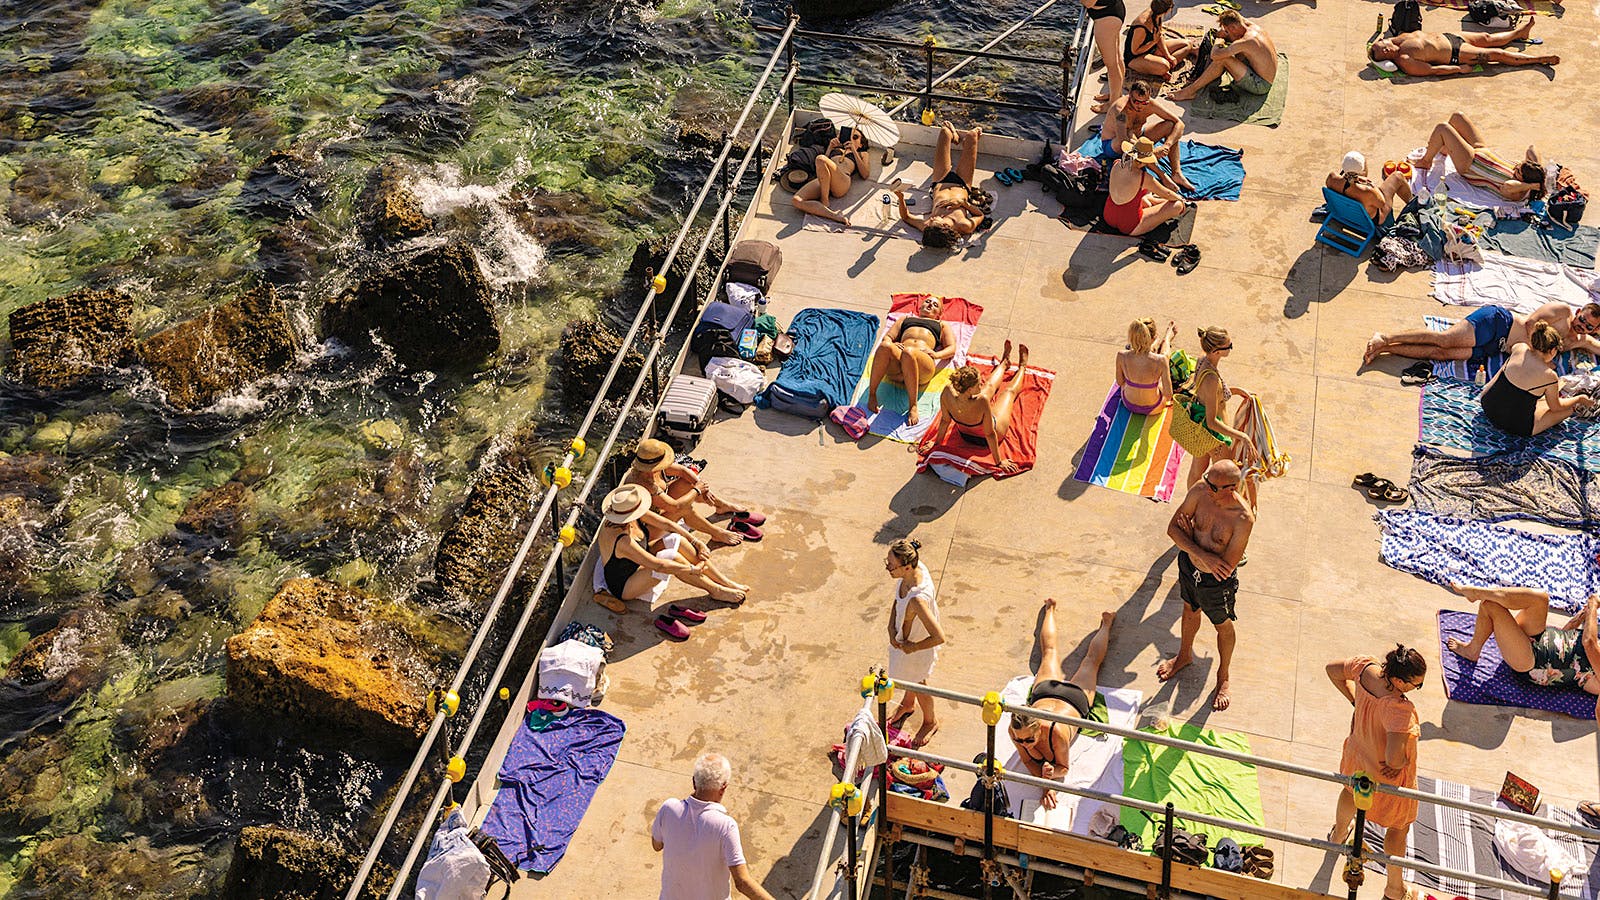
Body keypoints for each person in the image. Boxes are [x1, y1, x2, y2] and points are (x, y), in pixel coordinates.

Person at [1326, 645, 1426, 900]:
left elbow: (1332, 670)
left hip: (1358, 755)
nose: (1416, 690)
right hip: (1385, 778)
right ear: (1398, 681)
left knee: (1349, 792)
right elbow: (1393, 757)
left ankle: (1337, 836)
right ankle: (1394, 889)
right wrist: (1402, 763)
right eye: (1416, 685)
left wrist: (1354, 701)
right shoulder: (1398, 709)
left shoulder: (1364, 666)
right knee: (1397, 829)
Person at [1158, 459, 1255, 711]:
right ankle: (1184, 655)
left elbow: (1225, 567)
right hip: (1189, 568)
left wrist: (1189, 538)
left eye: (1213, 485)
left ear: (1230, 488)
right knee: (1189, 608)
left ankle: (1223, 675)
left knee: (1222, 625)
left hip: (1216, 583)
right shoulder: (1201, 491)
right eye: (1207, 479)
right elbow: (1172, 530)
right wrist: (1200, 552)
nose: (1205, 486)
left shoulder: (1243, 518)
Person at [1006, 598, 1117, 809]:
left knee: (1091, 660)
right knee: (1051, 653)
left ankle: (1107, 623)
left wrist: (1049, 777)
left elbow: (1063, 767)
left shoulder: (1055, 733)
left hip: (1074, 700)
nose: (1024, 745)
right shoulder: (1016, 730)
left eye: (1029, 740)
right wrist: (1046, 779)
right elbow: (1028, 761)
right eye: (1021, 741)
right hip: (1045, 694)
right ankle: (1049, 609)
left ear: (1039, 725)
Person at [1444, 582, 1599, 721]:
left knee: (1490, 606)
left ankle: (1472, 650)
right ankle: (1479, 592)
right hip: (1538, 637)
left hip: (1530, 661)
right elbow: (1565, 645)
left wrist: (1593, 607)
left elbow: (1589, 643)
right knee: (1541, 598)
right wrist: (1578, 619)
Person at [596, 485, 748, 607]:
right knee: (671, 557)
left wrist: (695, 541)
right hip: (625, 585)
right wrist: (690, 569)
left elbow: (667, 524)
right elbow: (659, 565)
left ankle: (724, 581)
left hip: (637, 563)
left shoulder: (628, 515)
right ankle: (716, 590)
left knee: (676, 538)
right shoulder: (622, 541)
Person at [652, 752, 777, 900]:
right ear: (723, 788)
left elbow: (657, 845)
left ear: (694, 782)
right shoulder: (725, 826)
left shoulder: (668, 808)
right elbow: (742, 882)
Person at [1363, 301, 1600, 367]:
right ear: (1579, 312)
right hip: (1499, 324)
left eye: (1589, 326)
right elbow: (1530, 323)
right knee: (1445, 339)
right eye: (1582, 319)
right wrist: (1539, 353)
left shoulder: (1581, 340)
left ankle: (1385, 349)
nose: (1582, 326)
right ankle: (1385, 337)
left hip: (1495, 348)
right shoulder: (1563, 312)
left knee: (1441, 354)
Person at [917, 340, 1030, 473]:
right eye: (977, 384)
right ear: (970, 389)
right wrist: (999, 462)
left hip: (964, 434)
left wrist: (936, 443)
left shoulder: (948, 391)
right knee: (1008, 393)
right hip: (985, 439)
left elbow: (945, 421)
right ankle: (1022, 367)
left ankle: (1005, 362)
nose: (980, 385)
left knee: (988, 386)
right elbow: (989, 434)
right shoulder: (981, 400)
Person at [624, 439, 764, 545]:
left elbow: (682, 471)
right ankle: (716, 533)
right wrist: (698, 490)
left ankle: (720, 505)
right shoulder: (643, 482)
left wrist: (703, 489)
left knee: (688, 483)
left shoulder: (649, 466)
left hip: (658, 510)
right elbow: (675, 506)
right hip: (647, 529)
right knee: (684, 508)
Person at [1479, 322, 1595, 437]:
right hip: (1515, 426)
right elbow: (1556, 408)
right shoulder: (1549, 376)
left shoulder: (1520, 347)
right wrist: (1579, 399)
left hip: (1487, 404)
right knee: (1567, 409)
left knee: (1532, 396)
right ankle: (1579, 403)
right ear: (1553, 350)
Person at [883, 538, 946, 748]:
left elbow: (938, 636)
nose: (888, 568)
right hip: (904, 639)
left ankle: (930, 721)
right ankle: (908, 704)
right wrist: (891, 627)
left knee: (919, 683)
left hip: (917, 647)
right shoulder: (913, 570)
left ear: (907, 567)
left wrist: (913, 647)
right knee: (908, 679)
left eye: (891, 565)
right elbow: (896, 601)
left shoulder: (918, 599)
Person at [1416, 112, 1546, 202]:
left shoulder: (1517, 192)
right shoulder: (1525, 172)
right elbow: (1532, 148)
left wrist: (1532, 186)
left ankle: (1426, 161)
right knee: (1458, 117)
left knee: (1443, 128)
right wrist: (1538, 171)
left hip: (1469, 165)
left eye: (1518, 171)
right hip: (1480, 149)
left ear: (1524, 180)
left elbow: (1507, 186)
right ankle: (1446, 147)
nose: (1516, 167)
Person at [867, 295, 956, 426]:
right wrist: (893, 344)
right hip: (898, 364)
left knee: (909, 352)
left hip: (922, 365)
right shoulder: (905, 319)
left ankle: (913, 405)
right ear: (920, 306)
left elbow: (952, 348)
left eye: (935, 305)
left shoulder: (941, 325)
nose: (930, 305)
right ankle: (872, 394)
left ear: (939, 315)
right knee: (885, 347)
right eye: (928, 302)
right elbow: (887, 338)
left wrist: (936, 355)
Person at [894, 122, 986, 249]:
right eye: (934, 221)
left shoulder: (928, 227)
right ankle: (965, 143)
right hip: (962, 184)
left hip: (940, 181)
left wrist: (900, 197)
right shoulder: (964, 225)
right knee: (972, 135)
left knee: (944, 131)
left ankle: (955, 137)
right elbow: (980, 215)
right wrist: (963, 204)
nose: (929, 219)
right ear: (945, 227)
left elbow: (906, 217)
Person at [1184, 326, 1255, 488]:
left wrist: (1236, 391)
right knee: (1227, 478)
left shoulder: (1203, 359)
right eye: (1229, 346)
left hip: (1200, 430)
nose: (1231, 348)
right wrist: (1242, 436)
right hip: (1216, 437)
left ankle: (1190, 505)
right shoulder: (1212, 379)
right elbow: (1212, 422)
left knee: (1196, 471)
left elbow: (1210, 395)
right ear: (1216, 351)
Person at [1368, 19, 1559, 76]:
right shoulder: (1405, 60)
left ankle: (1519, 34)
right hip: (1457, 54)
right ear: (1386, 60)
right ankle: (1540, 60)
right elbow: (1432, 70)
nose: (1385, 49)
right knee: (1497, 54)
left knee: (1487, 37)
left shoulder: (1398, 38)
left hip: (1451, 37)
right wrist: (1459, 69)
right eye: (1382, 53)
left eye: (1382, 46)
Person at [1100, 81, 1193, 193]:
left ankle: (1176, 173)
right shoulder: (1121, 111)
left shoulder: (1150, 104)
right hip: (1114, 145)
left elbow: (1179, 123)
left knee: (1170, 126)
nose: (1140, 106)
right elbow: (1123, 141)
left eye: (1144, 103)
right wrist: (1152, 152)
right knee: (1130, 137)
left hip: (1138, 136)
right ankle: (1163, 176)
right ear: (1129, 95)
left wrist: (1167, 145)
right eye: (1136, 102)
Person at [1170, 11, 1278, 102]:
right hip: (1264, 73)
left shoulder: (1246, 41)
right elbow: (1232, 19)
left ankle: (1189, 92)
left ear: (1233, 27)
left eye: (1228, 30)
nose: (1226, 32)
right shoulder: (1249, 25)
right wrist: (1225, 32)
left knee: (1223, 59)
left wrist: (1219, 41)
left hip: (1261, 85)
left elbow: (1215, 55)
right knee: (1233, 53)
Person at [1103, 137, 1190, 238]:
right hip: (1130, 225)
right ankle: (1156, 202)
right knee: (1177, 205)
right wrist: (1181, 199)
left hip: (1108, 215)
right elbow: (1167, 194)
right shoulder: (1143, 177)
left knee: (1146, 198)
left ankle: (1151, 201)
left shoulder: (1117, 163)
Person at [789, 126, 871, 227]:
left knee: (821, 159)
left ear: (861, 144)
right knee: (796, 200)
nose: (850, 139)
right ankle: (835, 216)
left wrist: (853, 150)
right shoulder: (837, 149)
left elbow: (865, 174)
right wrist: (830, 147)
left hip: (842, 180)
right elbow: (820, 167)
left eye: (855, 137)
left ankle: (825, 200)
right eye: (848, 136)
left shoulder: (862, 153)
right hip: (824, 179)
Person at [1326, 151, 1413, 226]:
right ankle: (1413, 204)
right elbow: (1381, 204)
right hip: (1369, 220)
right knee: (1398, 177)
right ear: (1362, 170)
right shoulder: (1368, 191)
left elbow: (1346, 183)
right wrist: (1371, 185)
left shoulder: (1331, 178)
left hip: (1344, 212)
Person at [1116, 318, 1177, 414]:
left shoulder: (1121, 356)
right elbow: (1168, 394)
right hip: (1154, 408)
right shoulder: (1161, 361)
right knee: (1164, 356)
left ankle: (1153, 345)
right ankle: (1166, 340)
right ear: (1152, 337)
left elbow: (1120, 382)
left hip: (1129, 404)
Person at [1124, 0, 1193, 81]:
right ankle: (1161, 67)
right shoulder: (1142, 26)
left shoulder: (1157, 14)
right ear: (1167, 10)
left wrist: (1168, 56)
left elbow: (1159, 36)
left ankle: (1159, 65)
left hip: (1153, 48)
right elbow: (1135, 51)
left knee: (1187, 44)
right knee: (1165, 66)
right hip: (1135, 57)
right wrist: (1154, 42)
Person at [1083, 0, 1127, 114]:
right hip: (1113, 10)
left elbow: (1088, 3)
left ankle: (1113, 104)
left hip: (1107, 18)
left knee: (1111, 64)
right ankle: (1116, 94)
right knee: (1117, 58)